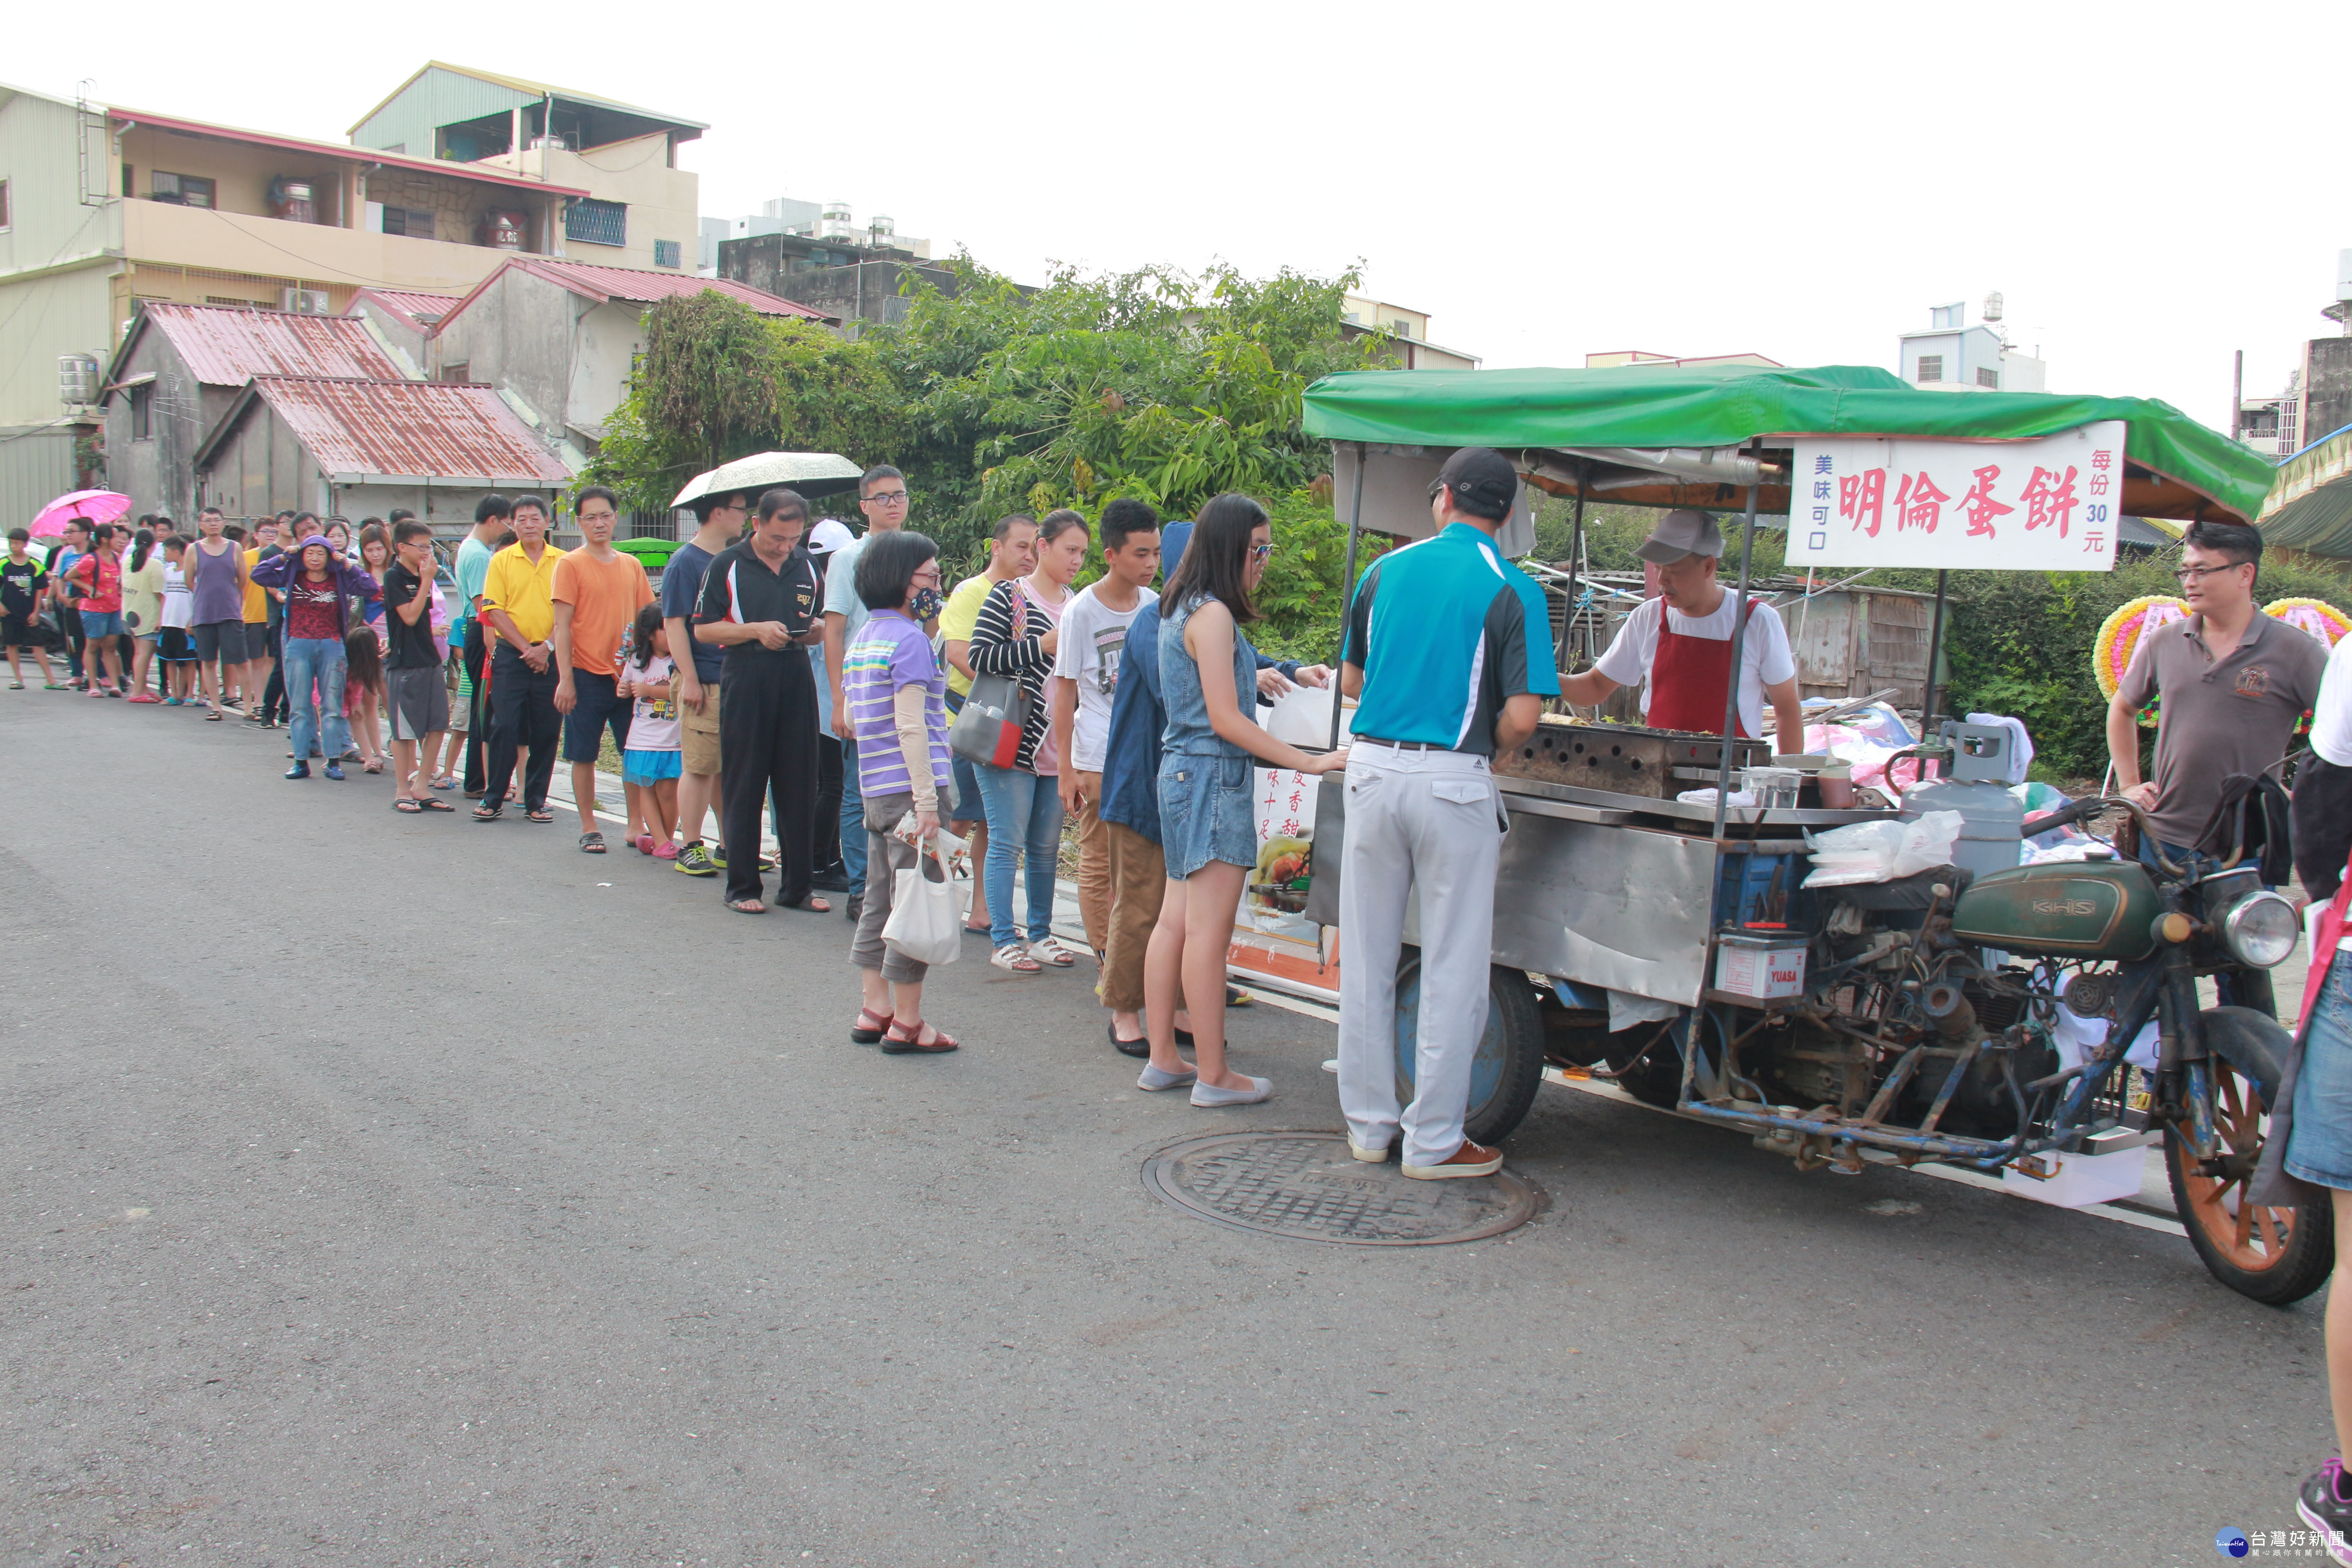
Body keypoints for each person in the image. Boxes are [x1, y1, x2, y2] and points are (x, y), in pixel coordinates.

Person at [1336, 446, 1560, 1177]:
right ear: (1508, 515)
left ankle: (1369, 1128)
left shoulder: (1382, 571)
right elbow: (1524, 719)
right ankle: (1434, 1142)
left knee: (1368, 956)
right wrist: (1484, 748)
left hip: (1370, 769)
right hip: (1454, 781)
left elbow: (1349, 679)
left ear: (1442, 499)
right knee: (1453, 963)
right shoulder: (1513, 588)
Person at [1144, 494, 1351, 1105]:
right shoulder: (1214, 617)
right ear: (1230, 546)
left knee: (1175, 923)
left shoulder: (1180, 606)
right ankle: (1213, 1074)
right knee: (1207, 934)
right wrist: (1309, 759)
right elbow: (1227, 719)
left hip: (1182, 773)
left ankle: (1164, 1058)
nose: (1263, 559)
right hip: (1211, 777)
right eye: (1257, 548)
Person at [2109, 519, 2328, 867]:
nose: (2190, 582)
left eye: (2201, 571)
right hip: (2162, 835)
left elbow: (2340, 729)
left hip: (2248, 844)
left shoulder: (2295, 651)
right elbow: (2122, 709)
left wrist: (2310, 796)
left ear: (2245, 574)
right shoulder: (2166, 641)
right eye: (2184, 572)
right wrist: (2128, 786)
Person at [844, 529, 960, 1054]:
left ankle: (876, 1007)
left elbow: (851, 717)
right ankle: (909, 1022)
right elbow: (912, 726)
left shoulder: (864, 638)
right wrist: (929, 803)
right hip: (915, 789)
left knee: (880, 898)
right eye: (931, 577)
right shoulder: (911, 641)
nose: (937, 586)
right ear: (903, 580)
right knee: (917, 899)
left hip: (874, 787)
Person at [1555, 508, 1800, 742]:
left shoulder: (1756, 620)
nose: (1662, 580)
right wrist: (1536, 677)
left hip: (1730, 774)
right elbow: (1596, 686)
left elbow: (1787, 709)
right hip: (1657, 768)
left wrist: (1790, 775)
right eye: (1658, 569)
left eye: (1674, 570)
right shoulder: (1648, 616)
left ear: (1708, 567)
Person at [696, 486, 828, 914]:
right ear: (757, 524)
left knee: (799, 783)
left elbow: (821, 618)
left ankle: (798, 888)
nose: (785, 547)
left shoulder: (807, 565)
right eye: (777, 538)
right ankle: (743, 887)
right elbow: (703, 629)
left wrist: (816, 630)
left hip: (795, 673)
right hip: (746, 674)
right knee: (745, 782)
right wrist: (753, 629)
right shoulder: (727, 565)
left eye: (793, 539)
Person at [967, 508, 1088, 974]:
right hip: (1010, 740)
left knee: (1046, 846)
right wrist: (1041, 646)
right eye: (1069, 550)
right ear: (1043, 546)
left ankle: (1041, 934)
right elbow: (980, 656)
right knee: (1007, 842)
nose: (1077, 560)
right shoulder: (1008, 597)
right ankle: (1003, 940)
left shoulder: (1079, 603)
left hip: (1059, 744)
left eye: (1082, 552)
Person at [1052, 500, 1161, 963]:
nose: (1151, 564)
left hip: (1148, 755)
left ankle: (1139, 961)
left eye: (1156, 553)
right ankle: (1107, 958)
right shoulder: (1081, 612)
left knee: (1141, 865)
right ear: (1111, 555)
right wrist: (1065, 767)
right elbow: (1065, 688)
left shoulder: (1156, 606)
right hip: (1097, 754)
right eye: (1140, 554)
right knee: (1098, 862)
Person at [941, 511, 1041, 938]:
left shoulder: (1031, 594)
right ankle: (925, 899)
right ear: (996, 547)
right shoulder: (971, 592)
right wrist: (1010, 685)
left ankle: (981, 910)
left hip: (1014, 728)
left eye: (1036, 546)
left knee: (991, 823)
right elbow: (960, 654)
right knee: (957, 820)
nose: (1030, 555)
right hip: (974, 722)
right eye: (1021, 546)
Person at [823, 466, 916, 922]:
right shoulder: (847, 559)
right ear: (864, 507)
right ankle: (862, 889)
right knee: (861, 792)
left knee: (910, 790)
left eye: (899, 495)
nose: (893, 504)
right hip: (864, 691)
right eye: (882, 497)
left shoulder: (918, 553)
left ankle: (898, 884)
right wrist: (840, 701)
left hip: (909, 689)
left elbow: (932, 621)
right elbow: (834, 631)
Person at [551, 486, 654, 854]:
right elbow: (562, 627)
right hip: (584, 672)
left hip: (627, 677)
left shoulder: (631, 565)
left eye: (605, 516)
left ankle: (635, 824)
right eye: (590, 517)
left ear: (615, 517)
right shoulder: (570, 564)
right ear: (579, 522)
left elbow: (648, 621)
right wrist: (565, 680)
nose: (599, 523)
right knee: (584, 753)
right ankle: (589, 825)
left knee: (635, 751)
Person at [663, 487, 751, 878]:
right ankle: (690, 844)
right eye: (740, 510)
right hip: (704, 677)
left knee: (726, 767)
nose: (746, 517)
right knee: (699, 766)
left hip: (734, 675)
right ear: (718, 513)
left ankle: (729, 844)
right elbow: (674, 624)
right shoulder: (686, 561)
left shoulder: (733, 560)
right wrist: (691, 680)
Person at [250, 533, 377, 779]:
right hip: (299, 644)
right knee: (299, 706)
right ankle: (301, 761)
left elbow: (370, 587)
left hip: (332, 645)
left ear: (329, 556)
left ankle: (333, 762)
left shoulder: (338, 576)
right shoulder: (291, 573)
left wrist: (349, 565)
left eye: (321, 553)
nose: (315, 558)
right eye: (309, 553)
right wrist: (283, 555)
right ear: (302, 556)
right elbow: (259, 575)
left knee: (333, 706)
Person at [476, 496, 565, 823]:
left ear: (547, 522)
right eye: (522, 520)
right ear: (512, 524)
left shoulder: (564, 561)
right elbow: (493, 610)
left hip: (553, 653)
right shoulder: (501, 560)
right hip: (513, 655)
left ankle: (536, 801)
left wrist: (547, 648)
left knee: (547, 728)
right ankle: (494, 797)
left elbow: (572, 612)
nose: (529, 525)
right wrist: (528, 650)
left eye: (534, 518)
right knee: (505, 725)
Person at [381, 519, 454, 813]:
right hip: (405, 662)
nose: (427, 552)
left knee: (438, 724)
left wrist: (426, 579)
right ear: (402, 547)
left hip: (430, 658)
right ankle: (403, 788)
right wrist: (426, 580)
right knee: (405, 730)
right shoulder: (395, 577)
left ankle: (422, 784)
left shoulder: (425, 575)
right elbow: (410, 617)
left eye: (429, 546)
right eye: (421, 546)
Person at [803, 518, 858, 892]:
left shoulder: (827, 601)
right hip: (827, 710)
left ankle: (829, 858)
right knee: (834, 788)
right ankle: (818, 862)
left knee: (832, 787)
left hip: (827, 708)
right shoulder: (822, 608)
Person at [454, 495, 510, 798]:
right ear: (493, 520)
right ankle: (477, 781)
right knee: (482, 707)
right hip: (480, 630)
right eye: (506, 522)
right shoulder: (478, 556)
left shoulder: (471, 548)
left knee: (483, 704)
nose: (506, 529)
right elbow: (483, 605)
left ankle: (479, 778)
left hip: (476, 630)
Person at [616, 604, 682, 857]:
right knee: (647, 788)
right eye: (666, 630)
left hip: (672, 739)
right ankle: (662, 841)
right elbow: (626, 685)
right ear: (650, 634)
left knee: (668, 790)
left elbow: (682, 694)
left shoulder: (680, 660)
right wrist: (623, 691)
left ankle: (663, 839)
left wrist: (651, 691)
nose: (673, 634)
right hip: (643, 738)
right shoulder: (636, 661)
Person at [183, 508, 247, 720]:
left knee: (240, 660)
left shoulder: (234, 547)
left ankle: (249, 706)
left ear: (223, 523)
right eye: (208, 521)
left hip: (230, 611)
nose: (213, 524)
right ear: (201, 525)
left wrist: (230, 596)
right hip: (204, 613)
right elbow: (189, 580)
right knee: (208, 661)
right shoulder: (194, 549)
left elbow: (243, 579)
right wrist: (205, 597)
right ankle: (216, 708)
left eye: (216, 520)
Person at [65, 524, 127, 698]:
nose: (121, 541)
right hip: (94, 609)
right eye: (117, 537)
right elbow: (70, 576)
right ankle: (93, 684)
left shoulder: (115, 558)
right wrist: (89, 589)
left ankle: (115, 685)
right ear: (105, 539)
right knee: (92, 646)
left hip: (114, 607)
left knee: (110, 647)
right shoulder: (91, 559)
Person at [2, 528, 59, 691]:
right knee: (12, 645)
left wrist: (36, 613)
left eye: (18, 543)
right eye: (12, 543)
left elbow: (40, 589)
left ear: (25, 544)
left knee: (38, 645)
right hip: (9, 613)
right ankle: (18, 679)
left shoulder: (35, 565)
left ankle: (51, 680)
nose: (14, 547)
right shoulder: (3, 564)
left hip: (29, 613)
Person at [240, 517, 281, 726]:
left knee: (274, 663)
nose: (270, 535)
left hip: (273, 616)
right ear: (255, 535)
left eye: (274, 531)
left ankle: (274, 703)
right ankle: (257, 702)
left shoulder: (282, 555)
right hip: (252, 615)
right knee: (256, 661)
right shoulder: (246, 556)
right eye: (265, 531)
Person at [120, 528, 168, 701]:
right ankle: (137, 691)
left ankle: (143, 687)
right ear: (155, 545)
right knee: (144, 654)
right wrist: (160, 618)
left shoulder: (127, 560)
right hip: (148, 615)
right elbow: (160, 594)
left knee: (138, 652)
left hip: (129, 613)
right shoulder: (154, 565)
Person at [49, 517, 90, 687]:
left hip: (91, 602)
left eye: (71, 531)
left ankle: (98, 673)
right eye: (66, 532)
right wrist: (60, 596)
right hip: (71, 602)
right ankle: (77, 673)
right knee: (73, 639)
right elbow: (59, 577)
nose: (67, 535)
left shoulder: (93, 552)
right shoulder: (65, 553)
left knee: (93, 639)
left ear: (85, 533)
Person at [157, 535, 195, 704]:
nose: (164, 555)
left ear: (176, 552)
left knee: (188, 661)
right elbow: (164, 597)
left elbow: (196, 598)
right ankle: (175, 694)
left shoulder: (191, 574)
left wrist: (191, 621)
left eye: (166, 551)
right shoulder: (168, 573)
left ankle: (190, 694)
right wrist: (160, 619)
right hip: (168, 622)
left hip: (184, 623)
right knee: (169, 659)